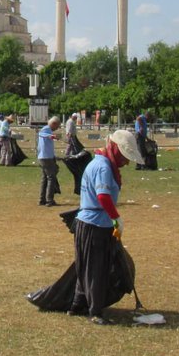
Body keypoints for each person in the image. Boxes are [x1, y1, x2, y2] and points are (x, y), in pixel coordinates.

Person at [72, 129, 143, 323]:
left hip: (90, 222)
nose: (127, 162)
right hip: (95, 225)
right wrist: (116, 218)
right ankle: (95, 312)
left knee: (85, 266)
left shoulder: (100, 163)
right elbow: (103, 196)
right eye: (125, 156)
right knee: (97, 269)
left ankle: (78, 304)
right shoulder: (103, 167)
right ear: (115, 149)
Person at [37, 116, 62, 206]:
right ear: (54, 123)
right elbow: (41, 134)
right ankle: (49, 200)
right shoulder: (46, 129)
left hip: (45, 157)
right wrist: (50, 136)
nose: (57, 128)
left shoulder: (48, 130)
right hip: (46, 158)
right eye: (57, 126)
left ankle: (41, 199)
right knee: (51, 177)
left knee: (45, 178)